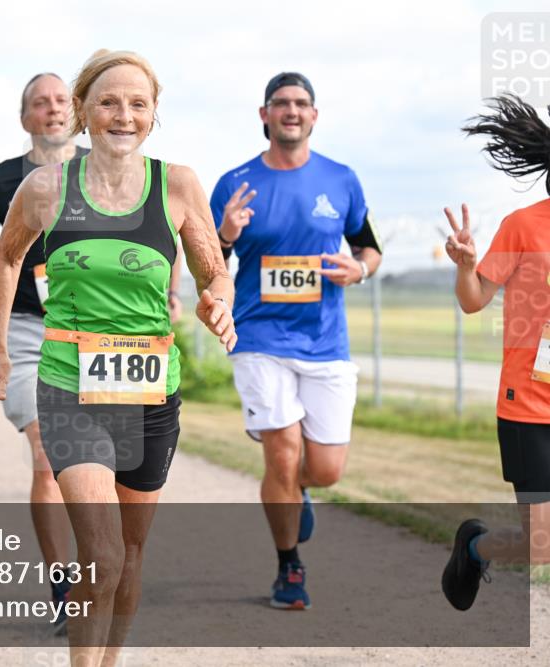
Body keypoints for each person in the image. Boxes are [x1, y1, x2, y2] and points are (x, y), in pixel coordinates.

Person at [0, 49, 235, 664]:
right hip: (70, 388)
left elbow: (212, 272)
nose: (124, 115)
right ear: (84, 113)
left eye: (138, 104)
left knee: (131, 556)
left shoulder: (178, 185)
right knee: (105, 554)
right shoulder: (45, 188)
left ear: (153, 115)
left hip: (150, 392)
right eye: (109, 102)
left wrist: (217, 302)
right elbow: (5, 257)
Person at [210, 72, 383, 610]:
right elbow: (210, 264)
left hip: (326, 341)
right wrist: (226, 235)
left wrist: (360, 270)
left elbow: (368, 248)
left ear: (314, 115)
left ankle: (299, 489)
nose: (291, 111)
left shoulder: (341, 178)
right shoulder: (235, 183)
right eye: (281, 103)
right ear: (264, 115)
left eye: (301, 103)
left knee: (325, 470)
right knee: (281, 457)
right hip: (258, 335)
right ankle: (289, 567)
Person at [0, 71, 89, 635]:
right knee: (47, 451)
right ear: (25, 119)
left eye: (62, 100)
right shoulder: (0, 182)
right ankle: (63, 582)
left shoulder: (108, 169)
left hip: (95, 331)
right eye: (41, 103)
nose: (54, 109)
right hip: (25, 330)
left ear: (77, 110)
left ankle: (100, 565)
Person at [441, 94, 550, 610]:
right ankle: (475, 546)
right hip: (530, 407)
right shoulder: (525, 225)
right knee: (541, 544)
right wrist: (466, 266)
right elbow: (474, 300)